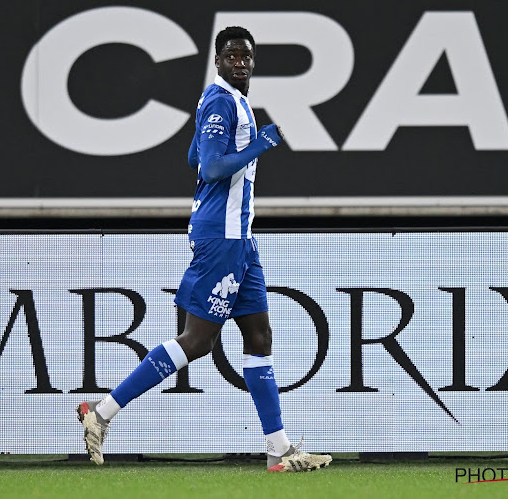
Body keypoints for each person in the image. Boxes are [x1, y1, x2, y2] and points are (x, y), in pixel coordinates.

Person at [77, 26, 332, 473]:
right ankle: (100, 414)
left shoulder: (224, 101)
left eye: (245, 56)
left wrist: (239, 147)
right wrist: (261, 144)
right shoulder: (221, 100)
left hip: (241, 240)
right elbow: (211, 167)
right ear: (217, 61)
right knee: (197, 341)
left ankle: (280, 450)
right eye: (231, 56)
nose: (240, 62)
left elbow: (194, 157)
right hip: (221, 237)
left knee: (259, 337)